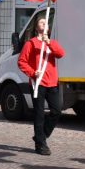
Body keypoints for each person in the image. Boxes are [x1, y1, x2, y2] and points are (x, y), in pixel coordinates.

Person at [17, 17, 66, 155]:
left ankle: (41, 135)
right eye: (41, 22)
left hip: (52, 82)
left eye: (46, 23)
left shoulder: (51, 43)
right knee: (39, 114)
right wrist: (33, 72)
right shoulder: (30, 44)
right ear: (36, 27)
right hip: (37, 83)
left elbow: (61, 54)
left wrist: (48, 42)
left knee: (56, 111)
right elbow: (22, 62)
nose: (44, 24)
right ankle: (41, 145)